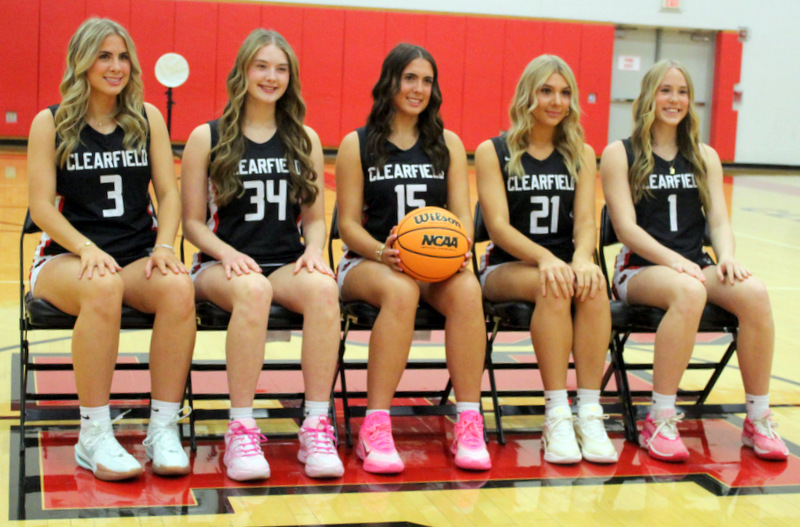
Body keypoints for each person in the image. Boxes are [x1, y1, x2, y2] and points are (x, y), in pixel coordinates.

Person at [27, 18, 195, 481]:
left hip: (136, 255)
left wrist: (165, 245)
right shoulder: (51, 122)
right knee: (102, 286)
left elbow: (169, 192)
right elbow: (40, 206)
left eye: (123, 57)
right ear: (82, 62)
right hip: (65, 258)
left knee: (179, 287)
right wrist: (85, 248)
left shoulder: (147, 117)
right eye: (104, 56)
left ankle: (162, 429)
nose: (116, 66)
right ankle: (94, 434)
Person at [600, 59, 788, 462]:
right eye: (665, 90)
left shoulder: (704, 155)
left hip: (694, 266)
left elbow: (718, 220)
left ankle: (757, 418)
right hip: (640, 269)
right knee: (689, 290)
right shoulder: (620, 153)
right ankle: (660, 418)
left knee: (754, 293)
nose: (675, 99)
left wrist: (727, 257)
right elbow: (626, 229)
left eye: (683, 92)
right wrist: (673, 262)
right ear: (649, 96)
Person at [181, 29, 343, 481]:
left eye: (281, 69)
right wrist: (226, 253)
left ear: (291, 78)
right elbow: (192, 223)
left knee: (324, 290)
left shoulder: (304, 139)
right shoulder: (207, 136)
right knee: (253, 290)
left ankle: (316, 425)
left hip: (285, 263)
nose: (271, 77)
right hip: (220, 265)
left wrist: (314, 251)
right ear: (243, 72)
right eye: (262, 66)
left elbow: (315, 219)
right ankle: (241, 429)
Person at [335, 43, 491, 474]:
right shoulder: (357, 144)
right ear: (390, 81)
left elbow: (463, 215)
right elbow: (347, 224)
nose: (418, 89)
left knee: (468, 290)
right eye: (409, 78)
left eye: (426, 80)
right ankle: (375, 425)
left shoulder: (447, 143)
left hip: (433, 265)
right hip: (368, 262)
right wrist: (382, 252)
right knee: (401, 289)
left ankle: (469, 420)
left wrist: (459, 247)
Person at [475, 55, 617, 465]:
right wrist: (544, 259)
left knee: (593, 286)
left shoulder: (580, 152)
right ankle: (556, 414)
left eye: (565, 93)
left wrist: (583, 258)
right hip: (506, 267)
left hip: (563, 266)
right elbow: (497, 226)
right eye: (547, 91)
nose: (557, 101)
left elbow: (586, 222)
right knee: (552, 284)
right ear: (528, 95)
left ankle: (589, 412)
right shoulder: (493, 151)